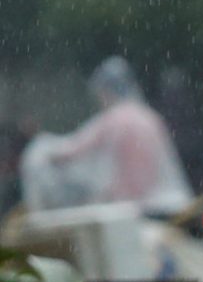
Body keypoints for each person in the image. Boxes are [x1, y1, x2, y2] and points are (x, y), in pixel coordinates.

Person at [19, 57, 192, 214]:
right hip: (169, 205)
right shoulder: (149, 117)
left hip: (136, 210)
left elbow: (70, 152)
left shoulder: (113, 120)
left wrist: (41, 147)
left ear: (106, 91)